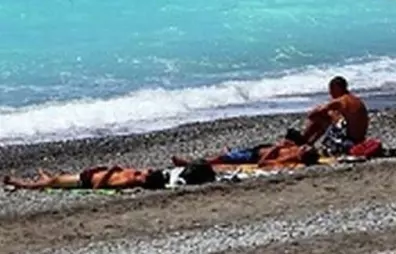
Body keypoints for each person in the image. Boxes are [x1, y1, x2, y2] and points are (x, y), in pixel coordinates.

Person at [299, 76, 369, 154]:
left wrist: (325, 113)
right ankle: (307, 143)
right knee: (329, 118)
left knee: (321, 117)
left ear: (337, 88)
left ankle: (303, 142)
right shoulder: (354, 99)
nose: (330, 93)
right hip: (359, 140)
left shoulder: (341, 100)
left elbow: (312, 114)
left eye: (331, 89)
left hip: (349, 143)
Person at [173, 139, 317, 169]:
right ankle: (231, 153)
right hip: (257, 150)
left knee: (218, 160)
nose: (303, 146)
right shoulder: (296, 150)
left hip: (253, 157)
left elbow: (262, 164)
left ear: (302, 155)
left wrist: (275, 148)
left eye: (305, 148)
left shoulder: (290, 159)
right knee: (232, 154)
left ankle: (188, 164)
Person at [5, 165, 167, 191]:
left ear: (146, 179)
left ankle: (19, 184)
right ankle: (44, 176)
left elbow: (99, 187)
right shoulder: (136, 174)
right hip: (89, 174)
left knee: (52, 182)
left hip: (85, 181)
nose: (147, 169)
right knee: (56, 178)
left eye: (149, 172)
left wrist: (110, 171)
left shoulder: (128, 181)